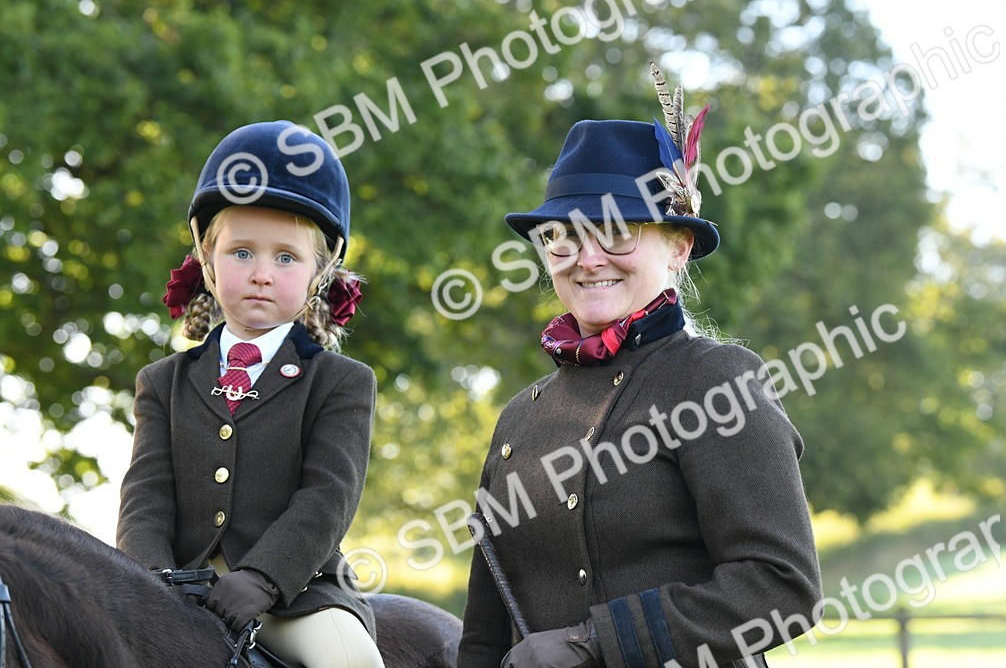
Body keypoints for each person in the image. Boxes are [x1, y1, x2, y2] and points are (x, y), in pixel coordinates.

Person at [457, 66, 823, 668]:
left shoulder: (718, 380)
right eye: (562, 239)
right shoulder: (519, 418)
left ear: (677, 248)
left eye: (619, 233)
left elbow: (783, 587)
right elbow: (485, 627)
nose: (587, 258)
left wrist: (592, 642)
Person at [116, 121, 384, 668]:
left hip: (296, 595)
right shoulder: (162, 382)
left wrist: (264, 577)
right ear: (208, 264)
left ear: (319, 273)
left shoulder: (341, 382)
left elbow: (327, 498)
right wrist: (148, 581)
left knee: (350, 661)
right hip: (173, 589)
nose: (262, 273)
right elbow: (145, 497)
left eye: (286, 257)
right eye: (241, 253)